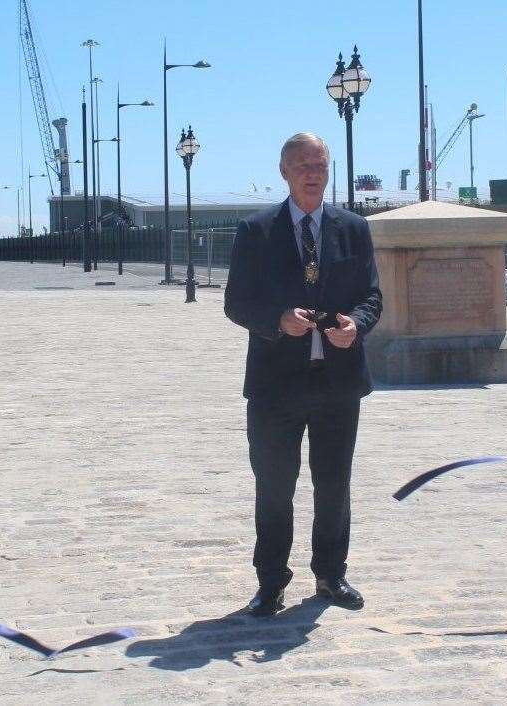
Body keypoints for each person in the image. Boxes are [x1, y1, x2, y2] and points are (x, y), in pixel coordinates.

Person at [224, 132, 383, 617]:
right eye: (302, 166)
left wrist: (357, 325)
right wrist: (277, 320)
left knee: (334, 483)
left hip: (338, 382)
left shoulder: (354, 228)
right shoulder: (256, 231)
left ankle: (331, 574)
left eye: (320, 165)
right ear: (284, 171)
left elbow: (373, 297)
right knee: (274, 485)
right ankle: (270, 582)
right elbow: (236, 303)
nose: (313, 174)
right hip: (277, 385)